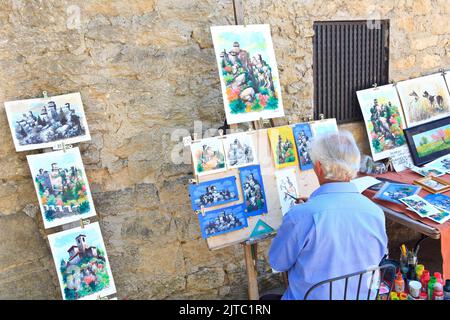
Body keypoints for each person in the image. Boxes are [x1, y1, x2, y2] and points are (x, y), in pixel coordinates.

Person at [268, 131, 388, 300]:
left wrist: (310, 211)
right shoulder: (375, 212)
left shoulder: (301, 216)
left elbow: (278, 262)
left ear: (318, 167)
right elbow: (378, 256)